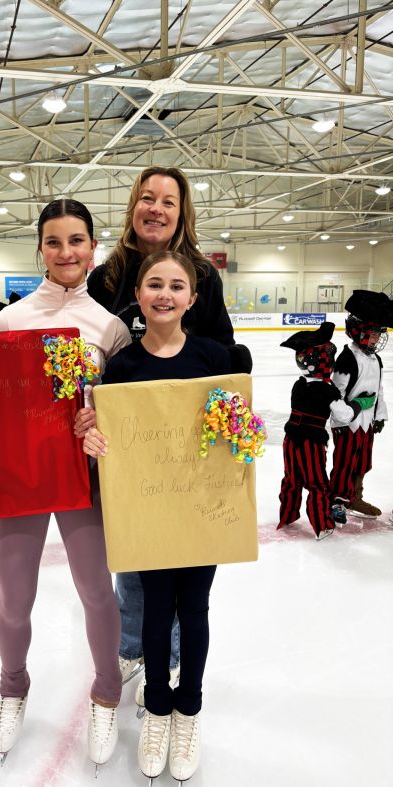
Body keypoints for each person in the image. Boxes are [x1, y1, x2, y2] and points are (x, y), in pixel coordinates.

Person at [0, 199, 132, 770]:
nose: (66, 252)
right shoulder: (10, 321)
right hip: (16, 480)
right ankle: (12, 686)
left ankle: (107, 693)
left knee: (97, 591)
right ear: (40, 248)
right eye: (54, 241)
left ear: (93, 247)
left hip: (82, 481)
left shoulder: (110, 328)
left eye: (76, 240)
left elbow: (123, 410)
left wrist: (100, 421)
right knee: (15, 599)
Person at [86, 165, 251, 703]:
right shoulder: (105, 276)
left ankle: (173, 655)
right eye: (147, 197)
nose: (156, 208)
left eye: (169, 201)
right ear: (134, 205)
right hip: (131, 442)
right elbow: (91, 350)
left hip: (185, 445)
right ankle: (134, 646)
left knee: (184, 548)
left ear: (182, 214)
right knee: (136, 554)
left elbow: (221, 351)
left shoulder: (201, 272)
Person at [84, 251, 231, 785]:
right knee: (152, 609)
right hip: (147, 509)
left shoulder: (214, 357)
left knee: (193, 609)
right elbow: (112, 436)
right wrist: (95, 439)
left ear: (192, 298)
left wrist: (242, 429)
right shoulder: (123, 366)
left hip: (199, 510)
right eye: (154, 285)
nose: (164, 294)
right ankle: (158, 709)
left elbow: (235, 431)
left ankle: (187, 711)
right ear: (138, 296)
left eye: (176, 286)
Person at [277, 322, 376, 540]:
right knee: (317, 484)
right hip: (311, 444)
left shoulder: (298, 384)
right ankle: (322, 526)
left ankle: (287, 515)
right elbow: (344, 415)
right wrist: (359, 403)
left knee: (291, 479)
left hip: (290, 440)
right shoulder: (327, 390)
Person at [329, 290, 392, 523]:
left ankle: (355, 497)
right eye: (372, 335)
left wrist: (379, 415)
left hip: (366, 424)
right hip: (348, 424)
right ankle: (337, 500)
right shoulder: (348, 358)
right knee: (344, 462)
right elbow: (335, 394)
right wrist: (345, 417)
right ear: (358, 332)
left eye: (378, 335)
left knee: (363, 461)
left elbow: (378, 389)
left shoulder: (375, 359)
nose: (376, 340)